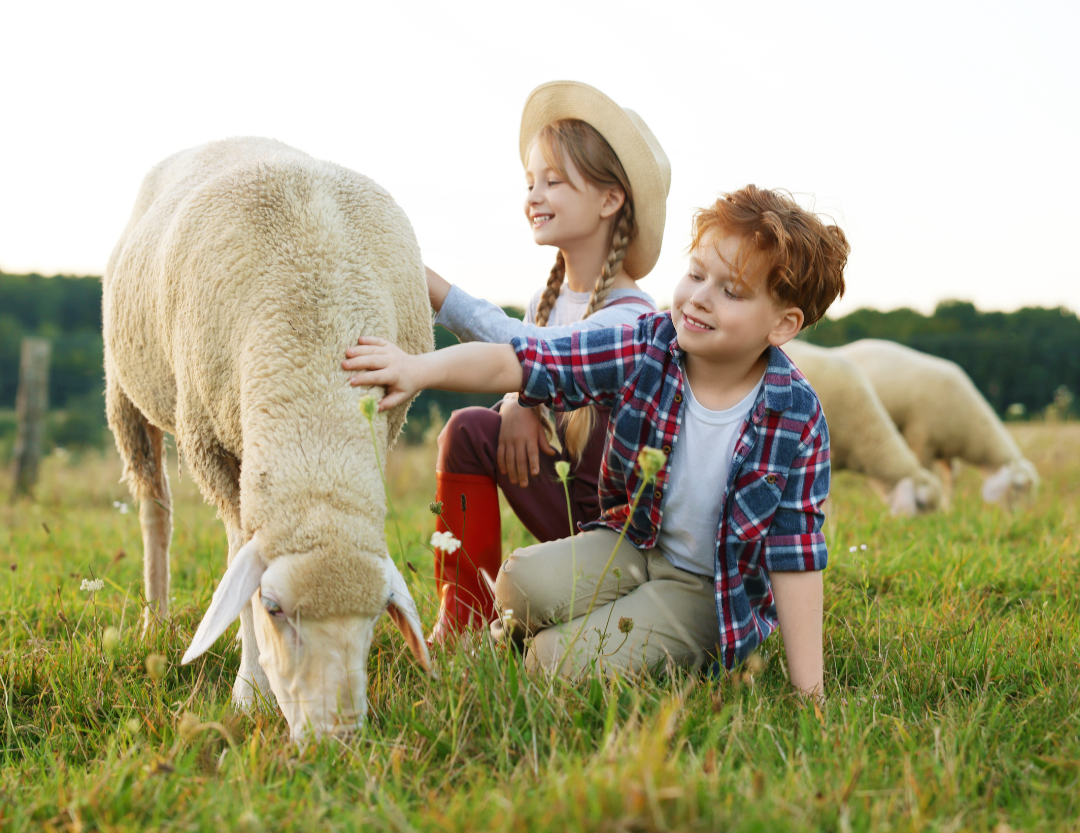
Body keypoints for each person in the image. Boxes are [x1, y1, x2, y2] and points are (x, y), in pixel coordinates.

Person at [345, 185, 849, 696]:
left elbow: (796, 556)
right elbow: (524, 360)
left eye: (732, 292)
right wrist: (417, 368)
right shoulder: (648, 344)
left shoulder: (797, 415)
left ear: (783, 324)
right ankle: (517, 636)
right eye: (697, 274)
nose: (699, 297)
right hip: (635, 542)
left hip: (708, 590)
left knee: (553, 661)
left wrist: (810, 693)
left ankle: (541, 649)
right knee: (518, 582)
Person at [424, 80, 670, 643]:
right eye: (530, 181)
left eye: (554, 181)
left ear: (609, 200)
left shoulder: (632, 318)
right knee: (468, 429)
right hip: (564, 504)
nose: (534, 195)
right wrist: (517, 401)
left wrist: (434, 288)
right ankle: (461, 617)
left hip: (622, 535)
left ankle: (582, 598)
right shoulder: (547, 300)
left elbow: (538, 354)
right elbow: (531, 356)